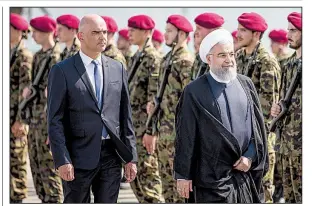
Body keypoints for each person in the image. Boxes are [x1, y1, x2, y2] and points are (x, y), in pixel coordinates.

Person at [47, 14, 137, 203]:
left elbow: (125, 115)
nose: (102, 36)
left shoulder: (117, 68)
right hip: (77, 156)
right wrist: (62, 159)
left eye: (104, 32)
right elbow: (55, 119)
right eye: (96, 32)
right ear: (80, 36)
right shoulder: (62, 70)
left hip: (111, 155)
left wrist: (131, 157)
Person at [174, 28, 268, 203]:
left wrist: (250, 156)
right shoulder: (194, 91)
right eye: (222, 55)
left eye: (231, 54)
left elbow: (257, 130)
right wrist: (183, 174)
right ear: (209, 59)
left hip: (242, 176)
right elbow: (186, 134)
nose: (229, 60)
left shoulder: (246, 84)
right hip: (210, 181)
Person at [145, 14, 194, 203]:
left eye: (170, 31)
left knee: (180, 192)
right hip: (164, 134)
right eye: (165, 30)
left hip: (177, 136)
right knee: (167, 189)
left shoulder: (186, 62)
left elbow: (190, 103)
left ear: (181, 34)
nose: (165, 35)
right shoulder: (167, 59)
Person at [235, 12, 281, 202]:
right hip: (239, 141)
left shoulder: (266, 62)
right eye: (238, 29)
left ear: (256, 34)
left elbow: (266, 116)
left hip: (258, 145)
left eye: (243, 30)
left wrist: (252, 151)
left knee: (261, 197)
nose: (238, 34)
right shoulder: (239, 57)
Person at [22, 15, 63, 203]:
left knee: (49, 166)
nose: (33, 36)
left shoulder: (56, 57)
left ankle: (54, 199)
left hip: (48, 117)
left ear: (47, 32)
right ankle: (44, 199)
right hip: (36, 118)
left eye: (36, 32)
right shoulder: (39, 55)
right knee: (36, 163)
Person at [127, 14, 163, 203]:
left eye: (134, 30)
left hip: (144, 130)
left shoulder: (153, 59)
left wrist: (150, 130)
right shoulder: (136, 57)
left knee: (148, 178)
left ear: (147, 32)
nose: (129, 33)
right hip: (132, 128)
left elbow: (153, 101)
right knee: (136, 181)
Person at [271, 12, 302, 203]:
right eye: (288, 29)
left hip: (302, 145)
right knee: (289, 197)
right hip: (287, 145)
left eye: (294, 30)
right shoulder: (290, 63)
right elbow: (283, 101)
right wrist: (277, 109)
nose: (288, 34)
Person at [10, 13, 32, 204]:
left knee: (17, 159)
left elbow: (26, 91)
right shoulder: (11, 52)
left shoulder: (23, 55)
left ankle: (18, 197)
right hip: (8, 115)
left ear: (17, 31)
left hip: (16, 117)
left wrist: (21, 119)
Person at [191, 12, 224, 80]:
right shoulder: (200, 56)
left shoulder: (222, 57)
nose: (195, 32)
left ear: (213, 31)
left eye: (199, 28)